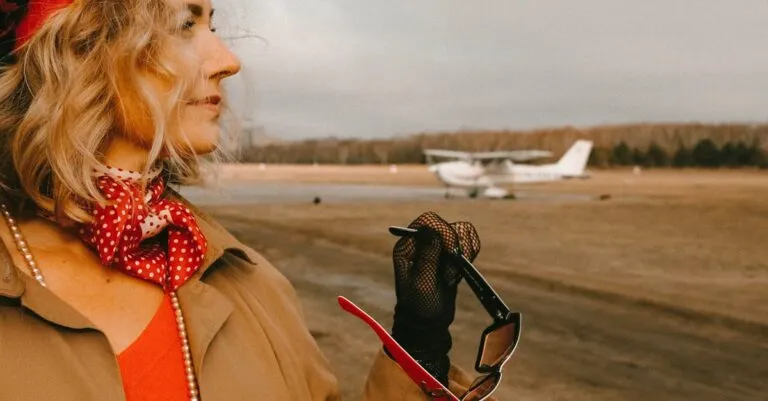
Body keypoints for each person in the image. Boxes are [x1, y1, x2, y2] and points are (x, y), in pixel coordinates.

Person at [0, 0, 488, 399]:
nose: (227, 61)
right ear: (80, 47)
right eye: (183, 23)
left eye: (213, 24)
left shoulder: (254, 283)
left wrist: (418, 355)